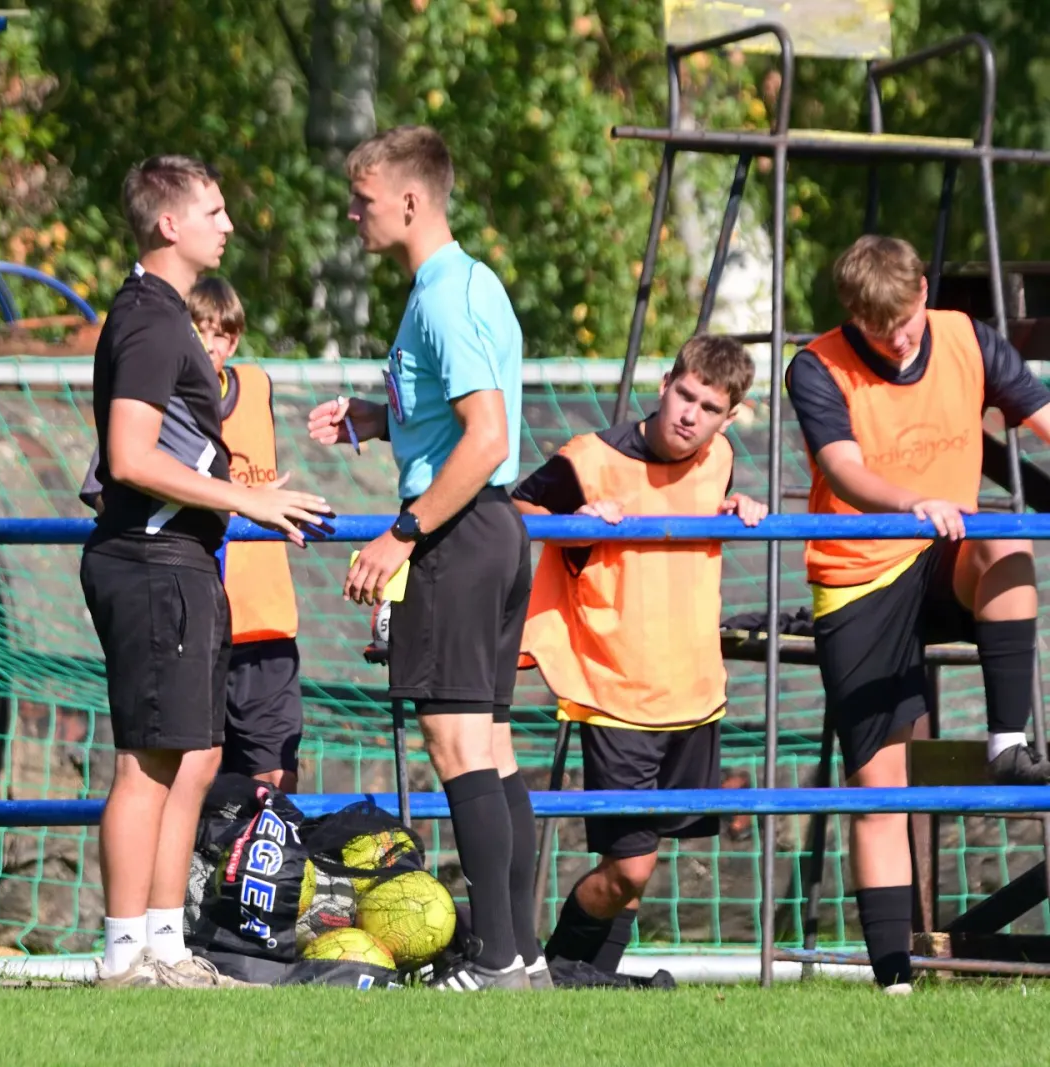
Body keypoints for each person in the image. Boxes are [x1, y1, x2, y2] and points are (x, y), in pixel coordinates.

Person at [82, 155, 331, 988]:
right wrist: (245, 498)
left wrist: (244, 499)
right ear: (169, 224)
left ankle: (165, 945)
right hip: (149, 561)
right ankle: (124, 955)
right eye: (214, 211)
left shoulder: (166, 317)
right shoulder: (151, 321)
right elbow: (128, 456)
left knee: (193, 757)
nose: (227, 225)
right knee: (146, 762)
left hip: (182, 560)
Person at [307, 125, 544, 991]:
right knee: (493, 747)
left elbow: (488, 437)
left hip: (458, 536)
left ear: (410, 201)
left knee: (456, 746)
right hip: (492, 530)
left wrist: (401, 533)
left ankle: (496, 958)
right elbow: (457, 417)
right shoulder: (466, 283)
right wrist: (380, 420)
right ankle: (525, 955)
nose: (353, 213)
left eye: (363, 199)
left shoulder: (443, 297)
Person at [785, 234, 1050, 993]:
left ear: (923, 292)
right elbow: (842, 468)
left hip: (943, 554)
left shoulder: (967, 338)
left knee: (1006, 540)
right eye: (878, 331)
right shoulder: (815, 366)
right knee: (880, 788)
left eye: (904, 322)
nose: (898, 341)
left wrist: (937, 511)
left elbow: (1041, 414)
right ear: (851, 318)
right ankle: (893, 976)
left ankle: (1007, 743)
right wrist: (913, 502)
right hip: (860, 572)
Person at [513, 336, 764, 986]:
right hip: (614, 694)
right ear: (664, 385)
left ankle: (584, 984)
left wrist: (735, 508)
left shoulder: (721, 458)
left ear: (729, 418)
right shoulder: (589, 458)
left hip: (694, 693)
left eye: (709, 408)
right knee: (631, 867)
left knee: (639, 866)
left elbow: (703, 505)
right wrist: (574, 520)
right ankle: (557, 971)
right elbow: (514, 507)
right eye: (685, 395)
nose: (690, 415)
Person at [81, 278, 307, 793]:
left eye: (221, 333)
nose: (210, 344)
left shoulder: (257, 389)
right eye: (199, 330)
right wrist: (212, 500)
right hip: (184, 610)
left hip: (262, 622)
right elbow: (110, 485)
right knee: (185, 770)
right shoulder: (153, 397)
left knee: (274, 780)